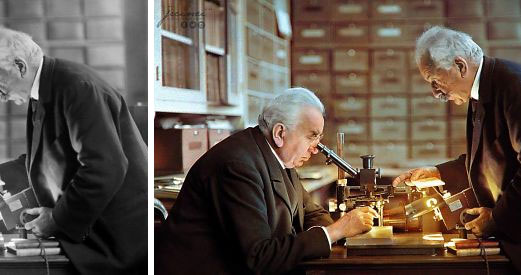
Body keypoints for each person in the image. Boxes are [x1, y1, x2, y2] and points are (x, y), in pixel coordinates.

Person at [393, 26, 521, 273]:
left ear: (460, 66)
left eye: (435, 80)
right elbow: (489, 157)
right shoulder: (484, 90)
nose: (435, 93)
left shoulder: (517, 87)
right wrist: (438, 173)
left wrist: (497, 219)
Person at [0, 26, 147, 274]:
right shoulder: (45, 90)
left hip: (116, 240)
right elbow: (50, 157)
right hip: (95, 229)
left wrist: (56, 219)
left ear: (20, 66)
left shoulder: (76, 87)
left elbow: (104, 168)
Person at [156, 89, 377, 274]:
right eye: (312, 136)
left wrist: (342, 229)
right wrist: (336, 232)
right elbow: (258, 257)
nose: (315, 149)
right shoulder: (237, 166)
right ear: (280, 133)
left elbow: (311, 213)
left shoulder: (279, 157)